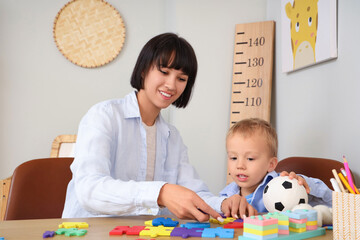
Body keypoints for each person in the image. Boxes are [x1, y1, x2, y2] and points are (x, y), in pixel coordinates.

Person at [62, 33, 255, 221]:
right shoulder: (104, 116)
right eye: (164, 72)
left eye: (181, 79)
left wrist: (223, 204)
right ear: (144, 69)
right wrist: (160, 193)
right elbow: (89, 189)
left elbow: (194, 193)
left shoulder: (172, 137)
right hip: (87, 231)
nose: (171, 85)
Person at [220, 118, 333, 213]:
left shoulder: (287, 185)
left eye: (250, 158)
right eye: (233, 158)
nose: (240, 165)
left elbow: (332, 201)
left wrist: (304, 184)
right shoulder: (227, 194)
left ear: (271, 164)